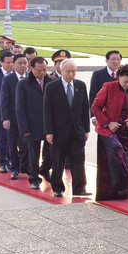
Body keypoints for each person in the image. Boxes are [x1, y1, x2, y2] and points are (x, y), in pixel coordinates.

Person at [92, 63, 128, 200]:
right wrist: (108, 123)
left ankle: (122, 193)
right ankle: (106, 194)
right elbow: (95, 107)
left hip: (127, 132)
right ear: (118, 77)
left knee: (125, 159)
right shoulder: (108, 87)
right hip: (108, 131)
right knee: (113, 155)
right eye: (126, 81)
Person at [43, 59, 89, 197]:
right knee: (58, 161)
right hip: (58, 131)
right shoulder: (52, 87)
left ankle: (79, 188)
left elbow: (84, 108)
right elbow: (47, 110)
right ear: (61, 71)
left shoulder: (80, 85)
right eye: (68, 71)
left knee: (78, 160)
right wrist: (48, 131)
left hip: (76, 131)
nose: (71, 74)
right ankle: (57, 187)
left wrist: (86, 129)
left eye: (73, 71)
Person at [15, 56, 51, 189]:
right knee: (34, 153)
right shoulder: (24, 83)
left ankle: (45, 169)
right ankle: (34, 178)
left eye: (44, 70)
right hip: (32, 124)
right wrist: (23, 127)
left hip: (48, 124)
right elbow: (20, 107)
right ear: (32, 68)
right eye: (39, 70)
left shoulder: (51, 81)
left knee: (50, 152)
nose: (42, 73)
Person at [0, 49, 23, 178]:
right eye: (20, 63)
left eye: (25, 63)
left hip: (27, 119)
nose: (23, 66)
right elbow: (4, 100)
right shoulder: (8, 79)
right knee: (12, 144)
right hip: (12, 118)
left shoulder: (31, 78)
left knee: (27, 145)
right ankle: (14, 168)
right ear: (14, 65)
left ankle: (27, 167)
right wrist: (5, 118)